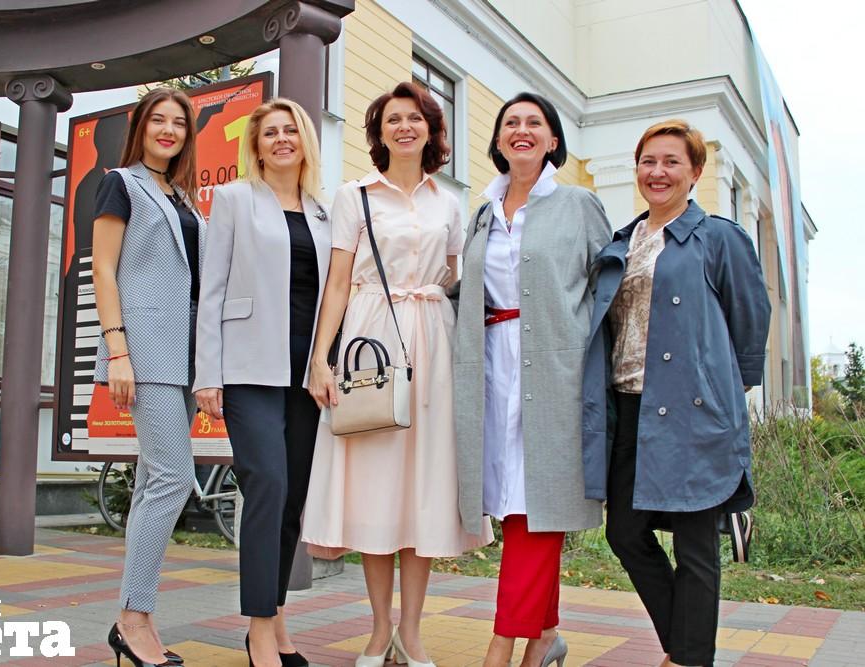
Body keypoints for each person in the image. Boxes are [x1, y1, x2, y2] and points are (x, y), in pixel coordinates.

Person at [304, 82, 493, 667]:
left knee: (423, 486)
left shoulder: (449, 203)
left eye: (415, 118)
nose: (404, 126)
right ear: (379, 132)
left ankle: (411, 631)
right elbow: (338, 282)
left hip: (433, 341)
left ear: (431, 130)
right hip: (370, 340)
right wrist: (320, 359)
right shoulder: (353, 195)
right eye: (393, 119)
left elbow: (456, 279)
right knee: (377, 484)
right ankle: (378, 627)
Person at [582, 119, 770, 667]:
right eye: (648, 161)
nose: (657, 172)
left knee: (695, 546)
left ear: (695, 172)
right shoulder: (623, 242)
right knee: (624, 534)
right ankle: (687, 649)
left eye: (671, 162)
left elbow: (750, 318)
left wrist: (727, 389)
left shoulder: (720, 238)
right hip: (629, 406)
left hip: (694, 410)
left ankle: (688, 658)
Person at [453, 92, 612, 667]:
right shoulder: (482, 212)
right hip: (491, 368)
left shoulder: (578, 204)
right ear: (498, 140)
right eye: (511, 123)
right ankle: (545, 637)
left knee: (537, 501)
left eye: (534, 123)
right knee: (514, 502)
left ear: (552, 140)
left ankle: (502, 645)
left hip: (555, 373)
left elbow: (607, 289)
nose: (521, 130)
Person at [194, 98, 331, 667]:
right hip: (248, 366)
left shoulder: (323, 212)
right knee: (267, 485)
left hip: (307, 373)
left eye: (290, 130)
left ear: (304, 141)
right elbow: (212, 288)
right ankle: (257, 630)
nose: (281, 139)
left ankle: (276, 619)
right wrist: (208, 373)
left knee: (292, 497)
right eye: (270, 132)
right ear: (255, 145)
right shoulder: (233, 199)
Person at [93, 87, 206, 667]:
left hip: (184, 354)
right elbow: (103, 267)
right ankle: (134, 618)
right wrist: (118, 350)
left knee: (150, 484)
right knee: (172, 478)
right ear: (140, 127)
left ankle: (133, 616)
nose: (168, 130)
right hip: (143, 349)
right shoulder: (122, 183)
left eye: (178, 123)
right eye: (157, 120)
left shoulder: (183, 196)